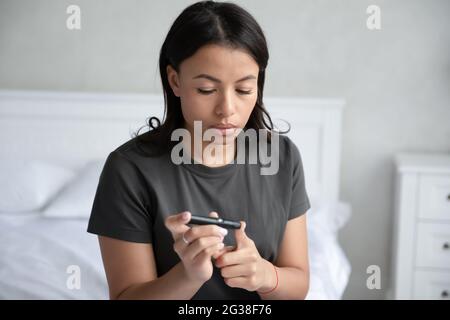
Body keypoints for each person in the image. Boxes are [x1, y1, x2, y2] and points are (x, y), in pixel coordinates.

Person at [87, 0, 310, 300]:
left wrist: (264, 275)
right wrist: (188, 276)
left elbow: (299, 284)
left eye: (244, 90)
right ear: (175, 80)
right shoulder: (129, 169)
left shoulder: (282, 158)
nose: (227, 110)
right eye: (207, 90)